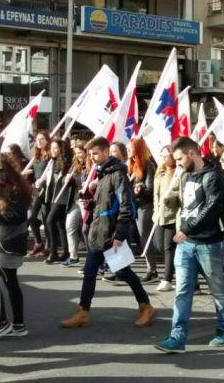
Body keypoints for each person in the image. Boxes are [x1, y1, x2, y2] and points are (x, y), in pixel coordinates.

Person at [60, 137, 155, 329]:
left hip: (111, 235)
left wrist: (119, 236)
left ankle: (146, 306)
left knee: (123, 272)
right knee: (89, 272)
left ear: (105, 152)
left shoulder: (118, 174)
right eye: (90, 154)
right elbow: (106, 203)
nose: (92, 158)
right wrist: (91, 202)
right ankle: (83, 311)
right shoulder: (102, 173)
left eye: (95, 153)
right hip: (98, 232)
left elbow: (126, 207)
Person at [154, 137, 224, 353]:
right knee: (182, 291)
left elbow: (211, 208)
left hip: (209, 243)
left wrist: (186, 230)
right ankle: (177, 337)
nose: (177, 163)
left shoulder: (213, 177)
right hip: (186, 244)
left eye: (179, 159)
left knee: (217, 289)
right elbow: (189, 203)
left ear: (192, 154)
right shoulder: (186, 175)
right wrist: (170, 199)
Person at [0, 151, 31, 341]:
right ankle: (12, 323)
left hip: (9, 242)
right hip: (3, 241)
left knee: (5, 282)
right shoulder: (6, 187)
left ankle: (8, 323)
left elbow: (16, 216)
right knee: (5, 282)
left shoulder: (15, 189)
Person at [128, 137, 157, 283]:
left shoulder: (148, 165)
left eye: (130, 148)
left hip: (144, 206)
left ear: (137, 149)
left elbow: (150, 189)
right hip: (132, 206)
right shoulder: (131, 165)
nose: (128, 150)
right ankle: (121, 269)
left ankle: (152, 269)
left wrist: (140, 188)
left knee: (145, 238)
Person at [43, 139, 75, 264]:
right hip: (52, 196)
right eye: (51, 148)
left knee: (50, 221)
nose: (53, 151)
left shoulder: (68, 163)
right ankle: (66, 251)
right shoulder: (52, 162)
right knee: (60, 224)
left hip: (62, 197)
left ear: (61, 149)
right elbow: (46, 176)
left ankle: (53, 251)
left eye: (55, 148)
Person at [153, 146, 180, 292]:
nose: (164, 158)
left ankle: (167, 279)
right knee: (158, 245)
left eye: (166, 155)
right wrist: (154, 212)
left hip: (172, 216)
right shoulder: (160, 173)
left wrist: (170, 198)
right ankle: (175, 271)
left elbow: (180, 195)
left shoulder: (179, 173)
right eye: (162, 155)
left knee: (168, 247)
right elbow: (155, 196)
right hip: (159, 216)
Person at [62, 143, 90, 267]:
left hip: (87, 201)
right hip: (75, 200)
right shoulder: (75, 165)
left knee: (86, 230)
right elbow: (67, 181)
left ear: (85, 152)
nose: (78, 155)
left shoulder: (91, 165)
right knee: (70, 225)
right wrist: (66, 179)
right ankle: (73, 255)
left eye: (80, 152)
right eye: (76, 153)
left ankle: (92, 257)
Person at [25, 131, 50, 257]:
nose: (39, 141)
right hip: (36, 192)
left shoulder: (49, 156)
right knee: (31, 217)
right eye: (38, 139)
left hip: (46, 191)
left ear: (47, 141)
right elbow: (34, 174)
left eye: (42, 139)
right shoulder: (36, 157)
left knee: (47, 219)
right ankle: (38, 243)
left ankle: (48, 246)